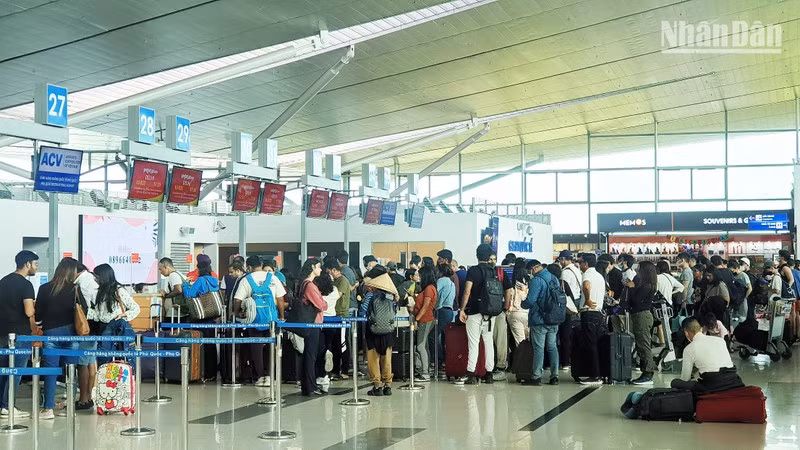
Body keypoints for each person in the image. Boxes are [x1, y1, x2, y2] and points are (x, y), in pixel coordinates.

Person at [36, 257, 86, 420]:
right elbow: (84, 310)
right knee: (71, 371)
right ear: (71, 272)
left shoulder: (44, 288)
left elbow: (38, 315)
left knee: (51, 372)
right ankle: (69, 407)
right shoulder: (75, 289)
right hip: (71, 334)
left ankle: (48, 409)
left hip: (51, 333)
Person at [233, 255, 286, 387]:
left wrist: (237, 312)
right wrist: (281, 316)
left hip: (254, 319)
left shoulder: (247, 279)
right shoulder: (272, 278)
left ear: (249, 267)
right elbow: (280, 299)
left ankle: (260, 376)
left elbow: (237, 299)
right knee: (271, 346)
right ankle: (269, 376)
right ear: (261, 264)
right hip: (271, 319)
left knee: (256, 347)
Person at [0, 250, 39, 419]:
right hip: (20, 334)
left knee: (3, 370)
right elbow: (29, 311)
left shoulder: (3, 281)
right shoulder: (26, 285)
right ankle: (8, 406)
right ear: (27, 264)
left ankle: (2, 406)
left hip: (2, 332)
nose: (36, 267)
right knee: (16, 370)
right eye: (35, 264)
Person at [457, 244, 497, 385]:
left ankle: (470, 373)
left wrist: (462, 309)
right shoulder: (493, 271)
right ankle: (489, 373)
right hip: (490, 312)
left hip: (474, 311)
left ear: (477, 255)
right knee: (488, 342)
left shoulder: (473, 271)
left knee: (473, 343)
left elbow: (467, 291)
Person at [670, 317, 743, 394]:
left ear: (686, 333)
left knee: (675, 382)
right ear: (701, 329)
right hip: (733, 380)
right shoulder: (720, 341)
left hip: (712, 385)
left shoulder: (689, 349)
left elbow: (685, 378)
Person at [521, 263, 563, 386]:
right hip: (554, 318)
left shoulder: (537, 280)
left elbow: (531, 300)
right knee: (552, 347)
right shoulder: (554, 277)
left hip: (539, 319)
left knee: (539, 348)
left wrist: (523, 304)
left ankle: (536, 377)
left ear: (534, 269)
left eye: (530, 270)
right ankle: (554, 376)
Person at [182, 257, 222, 381]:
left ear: (199, 269)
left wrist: (185, 284)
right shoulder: (214, 280)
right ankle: (213, 373)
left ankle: (202, 371)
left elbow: (189, 294)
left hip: (201, 317)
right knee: (211, 344)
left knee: (201, 345)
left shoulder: (200, 280)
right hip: (212, 317)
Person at [359, 271, 398, 396]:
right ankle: (388, 386)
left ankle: (377, 386)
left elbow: (363, 310)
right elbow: (395, 311)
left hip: (373, 331)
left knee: (373, 359)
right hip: (388, 331)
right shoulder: (390, 296)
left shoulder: (371, 295)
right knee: (387, 359)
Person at [294, 259, 328, 396]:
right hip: (313, 323)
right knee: (311, 355)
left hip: (309, 322)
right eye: (319, 267)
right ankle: (310, 386)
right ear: (313, 267)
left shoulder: (303, 284)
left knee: (310, 354)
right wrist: (324, 303)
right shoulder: (310, 286)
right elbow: (321, 305)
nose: (320, 270)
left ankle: (309, 385)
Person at [624, 260, 658, 385]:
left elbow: (637, 301)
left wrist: (632, 288)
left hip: (642, 315)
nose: (637, 271)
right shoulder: (645, 284)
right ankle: (645, 371)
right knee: (641, 344)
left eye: (639, 269)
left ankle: (648, 373)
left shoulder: (647, 286)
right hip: (639, 315)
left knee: (644, 345)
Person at [576, 253, 605, 385]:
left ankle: (594, 376)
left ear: (586, 264)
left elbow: (586, 286)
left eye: (580, 262)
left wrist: (587, 299)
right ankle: (599, 373)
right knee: (596, 344)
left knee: (590, 345)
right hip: (598, 313)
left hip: (589, 313)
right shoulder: (599, 276)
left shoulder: (587, 274)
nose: (579, 264)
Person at [74, 264, 99, 410]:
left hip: (86, 326)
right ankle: (88, 396)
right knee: (90, 360)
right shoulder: (92, 279)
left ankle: (83, 398)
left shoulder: (82, 282)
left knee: (82, 362)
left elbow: (83, 306)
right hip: (94, 326)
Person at [324, 257, 351, 380]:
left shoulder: (342, 281)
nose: (328, 273)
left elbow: (336, 296)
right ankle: (335, 370)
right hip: (334, 316)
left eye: (329, 271)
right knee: (335, 344)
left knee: (343, 344)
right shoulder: (334, 281)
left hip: (342, 316)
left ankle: (344, 370)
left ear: (334, 270)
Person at [314, 270, 338, 389]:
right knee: (329, 344)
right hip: (333, 319)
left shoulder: (317, 290)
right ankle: (329, 352)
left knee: (319, 348)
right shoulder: (334, 290)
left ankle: (321, 375)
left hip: (321, 320)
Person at [412, 265, 437, 382]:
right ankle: (424, 369)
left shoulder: (429, 289)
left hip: (425, 320)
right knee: (423, 346)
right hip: (425, 319)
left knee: (420, 346)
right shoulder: (428, 288)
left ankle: (425, 372)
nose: (419, 278)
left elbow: (425, 306)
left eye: (420, 275)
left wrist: (417, 319)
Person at [558, 250, 581, 370]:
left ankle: (565, 361)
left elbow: (564, 290)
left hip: (568, 305)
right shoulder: (577, 270)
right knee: (572, 334)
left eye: (560, 260)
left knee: (565, 334)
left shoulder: (565, 272)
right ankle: (572, 359)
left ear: (564, 259)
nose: (560, 262)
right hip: (576, 303)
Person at [434, 263, 456, 370]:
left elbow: (434, 293)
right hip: (450, 311)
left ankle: (438, 360)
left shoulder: (441, 280)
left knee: (434, 336)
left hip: (442, 311)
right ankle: (445, 361)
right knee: (444, 338)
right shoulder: (452, 283)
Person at [507, 259, 530, 346]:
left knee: (520, 343)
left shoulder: (511, 283)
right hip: (527, 314)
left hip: (514, 313)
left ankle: (522, 359)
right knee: (528, 341)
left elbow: (508, 298)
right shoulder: (530, 283)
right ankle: (530, 359)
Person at [728, 260, 751, 330]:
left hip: (742, 300)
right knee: (735, 317)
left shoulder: (743, 275)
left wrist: (744, 297)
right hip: (735, 300)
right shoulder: (733, 276)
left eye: (732, 270)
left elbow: (750, 288)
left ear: (736, 268)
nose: (731, 272)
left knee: (742, 317)